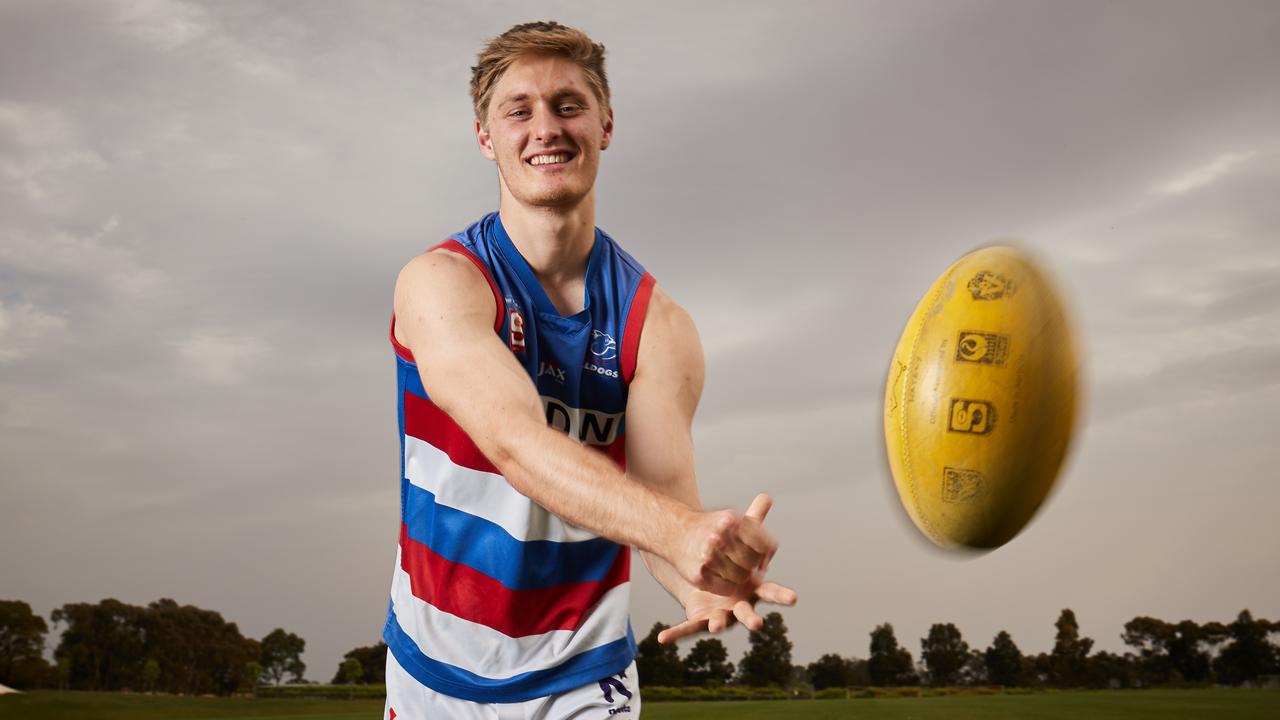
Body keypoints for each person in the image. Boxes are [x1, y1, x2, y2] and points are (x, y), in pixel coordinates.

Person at [383, 20, 796, 719]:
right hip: (434, 671)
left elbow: (662, 500)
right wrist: (677, 533)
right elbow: (514, 441)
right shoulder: (442, 282)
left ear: (606, 124)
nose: (545, 127)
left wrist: (697, 575)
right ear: (487, 138)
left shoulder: (657, 326)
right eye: (519, 111)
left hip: (583, 676)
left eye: (568, 105)